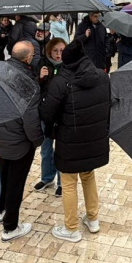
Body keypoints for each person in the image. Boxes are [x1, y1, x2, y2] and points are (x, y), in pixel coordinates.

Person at [39, 39, 111, 242]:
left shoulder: (61, 81)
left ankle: (71, 228)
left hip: (69, 139)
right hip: (94, 137)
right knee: (88, 175)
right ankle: (93, 219)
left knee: (69, 182)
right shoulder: (102, 76)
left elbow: (47, 113)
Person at [0, 42, 45, 241]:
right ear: (28, 58)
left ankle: (0, 209)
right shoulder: (27, 83)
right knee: (16, 183)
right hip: (19, 141)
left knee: (3, 173)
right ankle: (10, 227)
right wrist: (38, 140)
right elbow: (30, 120)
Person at [35, 37, 66, 196]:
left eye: (62, 50)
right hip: (46, 114)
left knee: (61, 150)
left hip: (62, 115)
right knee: (46, 149)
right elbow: (35, 89)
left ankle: (62, 182)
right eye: (55, 51)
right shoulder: (42, 64)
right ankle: (47, 177)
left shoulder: (68, 66)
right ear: (49, 51)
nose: (58, 54)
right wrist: (40, 78)